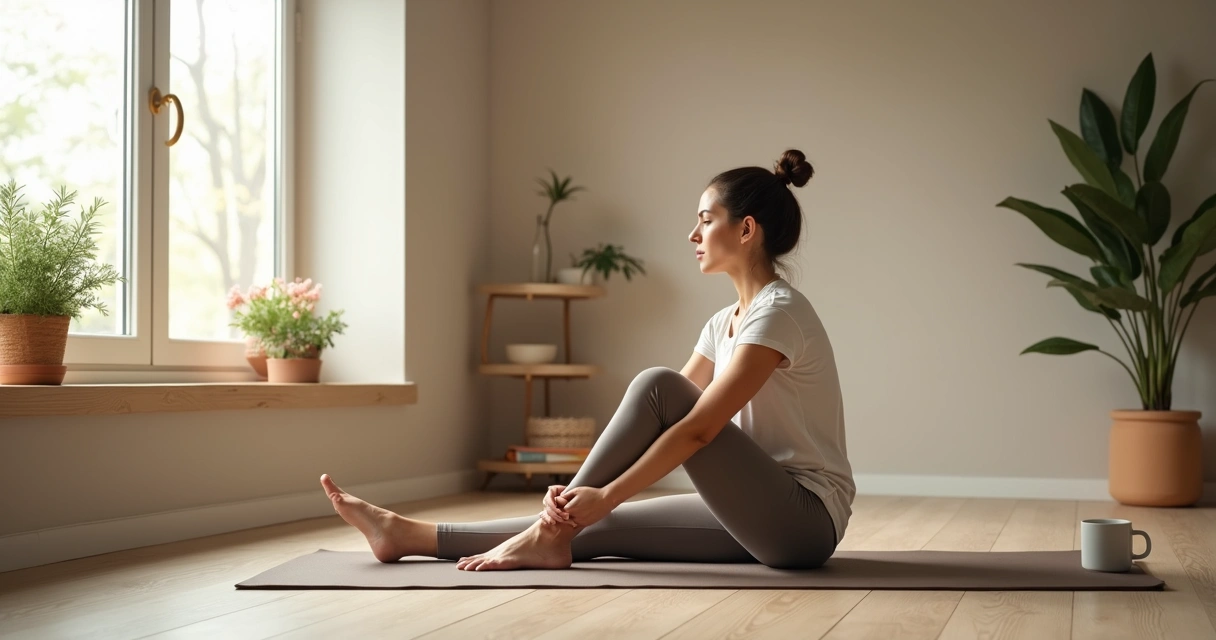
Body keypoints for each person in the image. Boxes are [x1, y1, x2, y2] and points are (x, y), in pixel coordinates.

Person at [319, 148, 855, 571]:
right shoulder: (724, 323)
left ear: (745, 228)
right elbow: (665, 420)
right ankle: (404, 533)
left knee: (654, 387)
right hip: (756, 510)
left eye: (705, 220)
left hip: (803, 521)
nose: (691, 235)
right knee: (590, 524)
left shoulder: (777, 313)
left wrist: (605, 493)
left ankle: (551, 528)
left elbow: (694, 428)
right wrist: (586, 500)